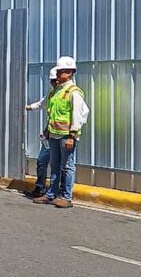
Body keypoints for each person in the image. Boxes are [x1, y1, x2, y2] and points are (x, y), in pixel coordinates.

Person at [33, 56, 89, 208]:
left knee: (67, 166)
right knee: (55, 165)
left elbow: (78, 115)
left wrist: (72, 135)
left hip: (66, 136)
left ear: (70, 72)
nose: (57, 74)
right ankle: (51, 194)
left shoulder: (73, 92)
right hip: (54, 134)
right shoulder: (57, 91)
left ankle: (66, 197)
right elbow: (49, 110)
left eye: (60, 71)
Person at [25, 67, 59, 198]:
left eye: (56, 80)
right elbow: (40, 104)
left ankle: (57, 192)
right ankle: (40, 187)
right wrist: (26, 108)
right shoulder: (51, 94)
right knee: (41, 161)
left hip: (61, 136)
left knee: (59, 166)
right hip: (50, 135)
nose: (55, 83)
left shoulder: (68, 94)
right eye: (53, 81)